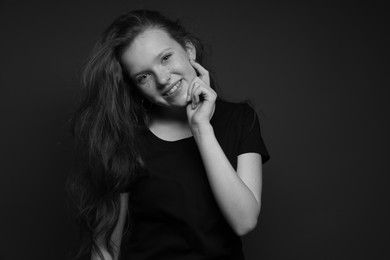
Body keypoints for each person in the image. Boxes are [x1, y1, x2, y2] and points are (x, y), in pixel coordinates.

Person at [68, 9, 270, 260]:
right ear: (136, 88)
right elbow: (106, 248)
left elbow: (244, 221)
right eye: (144, 76)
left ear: (189, 51)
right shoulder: (125, 138)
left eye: (165, 58)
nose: (162, 79)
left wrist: (201, 128)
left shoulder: (240, 119)